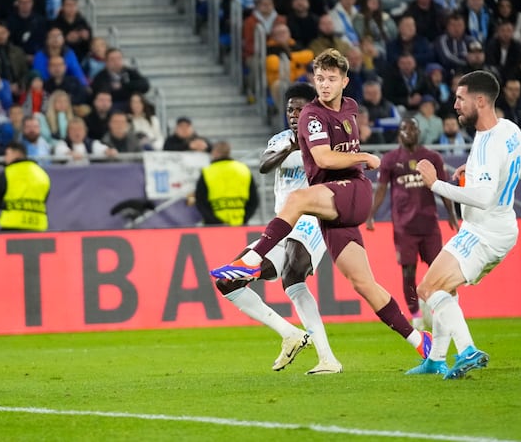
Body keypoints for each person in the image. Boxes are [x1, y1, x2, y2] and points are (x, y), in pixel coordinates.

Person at [211, 49, 433, 366]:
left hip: (325, 207)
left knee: (298, 205)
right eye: (320, 78)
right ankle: (418, 341)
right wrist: (359, 155)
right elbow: (275, 164)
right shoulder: (303, 125)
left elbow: (328, 157)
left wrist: (361, 157)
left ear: (344, 81)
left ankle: (252, 260)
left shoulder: (342, 111)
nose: (324, 85)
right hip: (313, 215)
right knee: (362, 284)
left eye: (331, 79)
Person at [406, 70, 521, 379]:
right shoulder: (510, 129)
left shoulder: (487, 144)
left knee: (428, 288)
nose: (454, 105)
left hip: (483, 230)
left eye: (460, 98)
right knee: (443, 286)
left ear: (479, 101)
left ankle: (466, 350)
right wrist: (485, 170)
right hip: (500, 228)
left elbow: (482, 197)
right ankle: (436, 359)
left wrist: (434, 184)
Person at [366, 116, 460, 330]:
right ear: (400, 133)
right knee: (408, 272)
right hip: (403, 228)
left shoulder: (431, 157)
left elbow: (443, 186)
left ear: (419, 132)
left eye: (413, 128)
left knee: (438, 270)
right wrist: (371, 214)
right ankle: (416, 314)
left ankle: (441, 310)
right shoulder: (390, 159)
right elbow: (381, 189)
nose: (409, 132)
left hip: (429, 225)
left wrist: (452, 215)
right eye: (405, 128)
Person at [194, 140, 258, 227]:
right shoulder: (243, 169)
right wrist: (244, 219)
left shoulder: (207, 171)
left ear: (215, 152)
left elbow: (200, 201)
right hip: (240, 225)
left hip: (214, 227)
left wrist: (214, 222)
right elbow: (254, 200)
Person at [0, 141, 51, 232]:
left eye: (7, 154)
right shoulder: (42, 174)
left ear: (16, 153)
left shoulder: (7, 173)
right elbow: (45, 199)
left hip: (11, 226)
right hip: (38, 226)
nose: (5, 158)